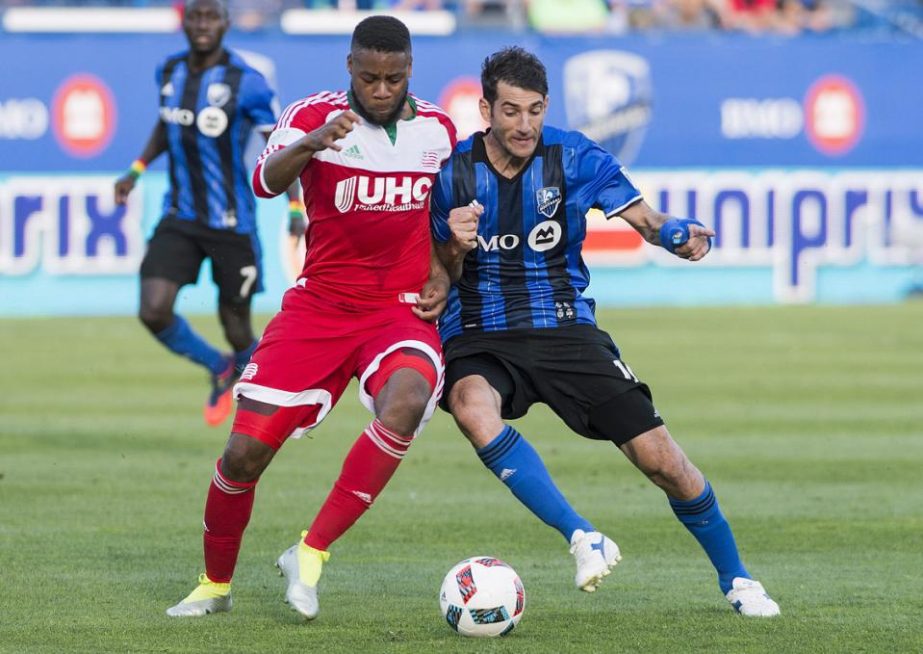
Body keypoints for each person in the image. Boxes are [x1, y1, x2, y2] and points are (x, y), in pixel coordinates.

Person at [431, 46, 780, 617]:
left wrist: (679, 235)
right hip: (480, 331)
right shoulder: (451, 175)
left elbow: (648, 222)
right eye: (512, 111)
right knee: (472, 407)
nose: (524, 125)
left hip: (564, 326)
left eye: (535, 110)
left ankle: (739, 580)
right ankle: (582, 536)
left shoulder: (574, 156)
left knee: (662, 460)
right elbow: (438, 275)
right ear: (486, 110)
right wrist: (452, 244)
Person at [165, 15, 456, 619]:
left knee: (406, 398)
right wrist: (310, 143)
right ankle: (214, 585)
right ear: (349, 67)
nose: (381, 90)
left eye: (393, 78)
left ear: (409, 72)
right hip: (320, 305)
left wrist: (444, 271)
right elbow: (264, 183)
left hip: (397, 312)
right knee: (244, 454)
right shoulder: (309, 116)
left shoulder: (439, 129)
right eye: (370, 77)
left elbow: (445, 218)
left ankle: (312, 550)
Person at [114, 0, 304, 427]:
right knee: (153, 309)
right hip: (180, 215)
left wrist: (295, 205)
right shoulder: (169, 71)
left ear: (225, 23)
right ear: (185, 21)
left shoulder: (247, 83)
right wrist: (136, 170)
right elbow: (167, 124)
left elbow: (280, 148)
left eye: (210, 17)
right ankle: (219, 368)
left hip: (232, 223)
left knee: (237, 328)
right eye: (195, 17)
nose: (202, 25)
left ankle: (267, 400)